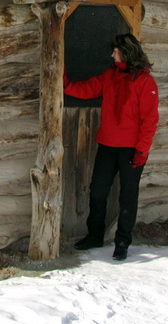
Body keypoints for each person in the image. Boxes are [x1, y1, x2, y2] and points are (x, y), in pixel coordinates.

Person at [64, 33, 159, 261]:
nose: (112, 55)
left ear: (127, 52)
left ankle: (122, 242)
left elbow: (150, 120)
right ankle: (95, 236)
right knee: (97, 192)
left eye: (115, 51)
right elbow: (87, 89)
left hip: (132, 150)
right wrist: (65, 83)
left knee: (127, 197)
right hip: (107, 145)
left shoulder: (146, 82)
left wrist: (141, 151)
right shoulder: (110, 75)